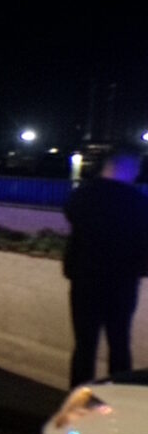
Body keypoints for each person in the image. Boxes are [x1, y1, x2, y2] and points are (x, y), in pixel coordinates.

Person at [62, 146, 148, 388]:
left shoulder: (82, 196)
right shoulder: (138, 202)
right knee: (120, 343)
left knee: (84, 346)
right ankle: (120, 399)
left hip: (85, 279)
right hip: (123, 282)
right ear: (127, 168)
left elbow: (73, 222)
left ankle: (78, 400)